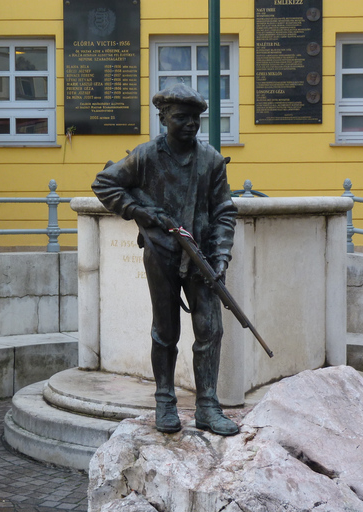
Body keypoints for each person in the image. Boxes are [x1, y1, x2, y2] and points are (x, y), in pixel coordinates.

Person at [91, 83, 239, 436]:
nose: (190, 124)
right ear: (163, 118)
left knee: (211, 329)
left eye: (195, 119)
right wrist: (141, 213)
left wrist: (219, 257)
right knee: (165, 330)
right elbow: (104, 185)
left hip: (200, 254)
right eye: (181, 117)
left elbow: (223, 212)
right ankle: (164, 400)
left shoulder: (211, 160)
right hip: (161, 255)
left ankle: (207, 406)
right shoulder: (145, 157)